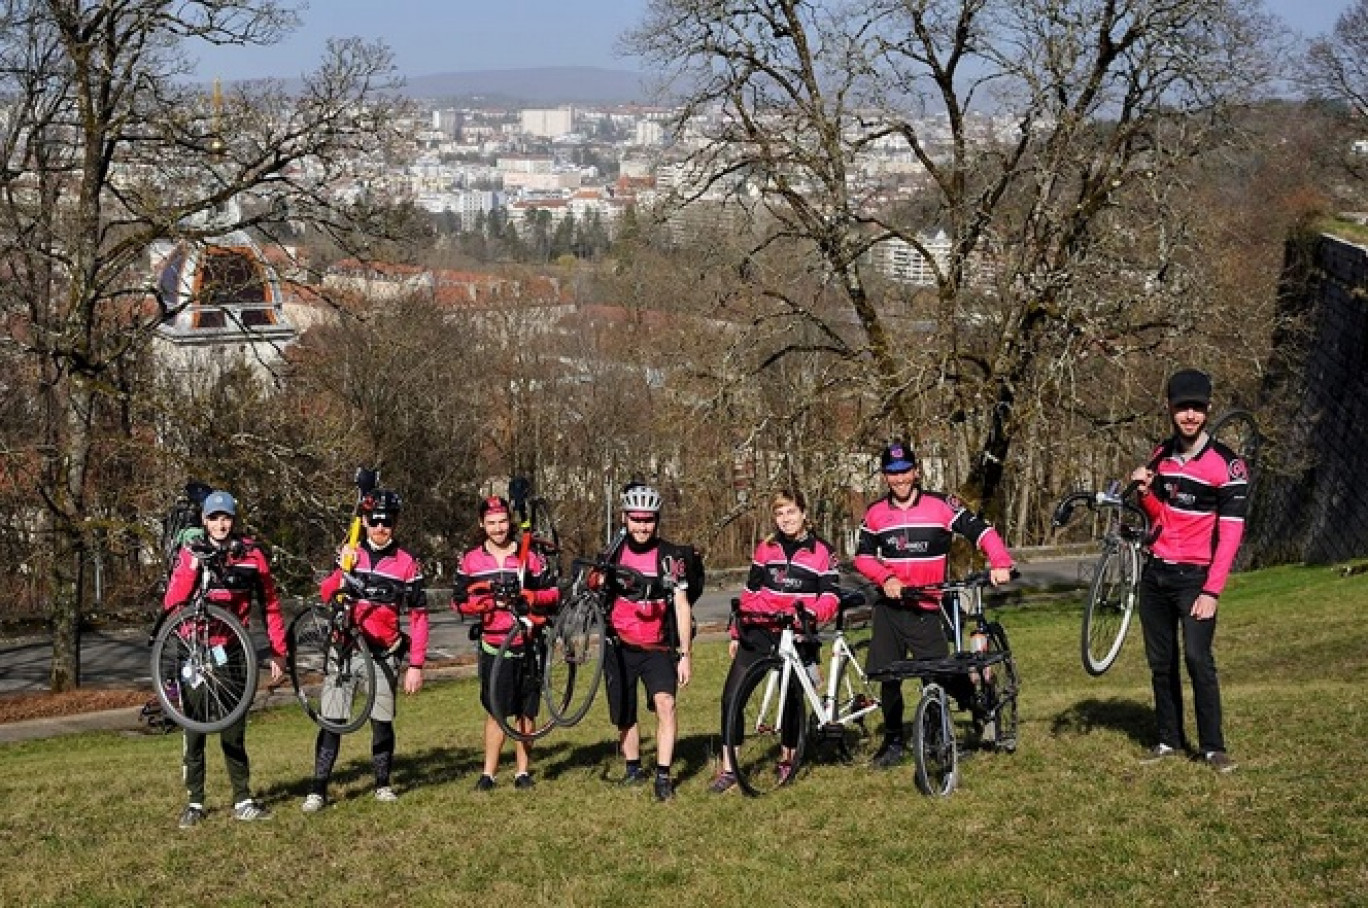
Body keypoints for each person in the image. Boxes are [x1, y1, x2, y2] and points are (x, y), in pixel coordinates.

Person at [853, 441, 1014, 768]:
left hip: (926, 607)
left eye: (904, 472)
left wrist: (999, 562)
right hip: (891, 607)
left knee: (939, 675)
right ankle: (894, 741)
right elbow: (863, 557)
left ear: (915, 471)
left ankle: (960, 720)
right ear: (884, 476)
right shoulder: (875, 513)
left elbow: (981, 531)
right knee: (888, 676)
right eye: (891, 473)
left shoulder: (941, 505)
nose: (898, 479)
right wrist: (886, 579)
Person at [1131, 369, 1248, 772]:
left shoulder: (1228, 465)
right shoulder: (1160, 456)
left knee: (1198, 658)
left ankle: (1213, 747)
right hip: (1156, 575)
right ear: (1170, 408)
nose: (1190, 416)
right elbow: (1160, 518)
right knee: (1161, 663)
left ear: (1208, 409)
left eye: (1197, 408)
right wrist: (1146, 494)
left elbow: (1231, 535)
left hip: (1196, 580)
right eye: (1183, 408)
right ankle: (1168, 740)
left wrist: (1211, 592)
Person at [162, 490, 286, 828]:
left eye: (226, 517)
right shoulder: (192, 553)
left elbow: (271, 604)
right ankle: (195, 801)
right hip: (197, 650)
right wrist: (192, 566)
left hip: (233, 649)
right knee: (195, 728)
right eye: (214, 517)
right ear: (204, 520)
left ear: (233, 520)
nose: (220, 523)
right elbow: (171, 603)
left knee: (234, 728)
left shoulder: (251, 556)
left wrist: (279, 651)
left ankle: (242, 798)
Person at [302, 488, 429, 811]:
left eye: (387, 521)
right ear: (366, 520)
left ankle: (382, 784)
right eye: (374, 520)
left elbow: (418, 616)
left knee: (382, 720)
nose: (380, 527)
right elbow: (326, 592)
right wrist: (344, 570)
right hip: (345, 648)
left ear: (396, 523)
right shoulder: (351, 551)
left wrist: (416, 664)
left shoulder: (407, 564)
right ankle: (318, 789)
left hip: (384, 652)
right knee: (332, 720)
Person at [711, 490, 840, 793]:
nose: (785, 519)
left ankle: (787, 759)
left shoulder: (823, 551)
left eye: (791, 512)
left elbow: (831, 597)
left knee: (791, 702)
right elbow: (751, 593)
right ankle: (730, 768)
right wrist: (736, 632)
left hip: (796, 631)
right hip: (759, 629)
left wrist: (809, 615)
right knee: (731, 698)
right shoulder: (765, 549)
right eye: (780, 514)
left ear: (804, 513)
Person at [451, 495, 560, 792]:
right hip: (493, 644)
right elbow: (459, 601)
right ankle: (489, 773)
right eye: (491, 523)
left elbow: (553, 594)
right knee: (496, 711)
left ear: (509, 522)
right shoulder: (471, 560)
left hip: (528, 643)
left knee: (527, 712)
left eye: (502, 522)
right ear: (481, 524)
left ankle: (522, 772)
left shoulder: (530, 556)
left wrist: (534, 598)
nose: (498, 529)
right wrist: (487, 604)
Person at [601, 482, 694, 801]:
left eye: (648, 519)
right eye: (636, 519)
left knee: (665, 704)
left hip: (657, 645)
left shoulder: (670, 555)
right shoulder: (614, 551)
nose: (642, 525)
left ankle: (663, 776)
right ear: (625, 518)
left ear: (657, 520)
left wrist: (685, 653)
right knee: (624, 713)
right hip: (620, 645)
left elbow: (681, 605)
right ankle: (632, 768)